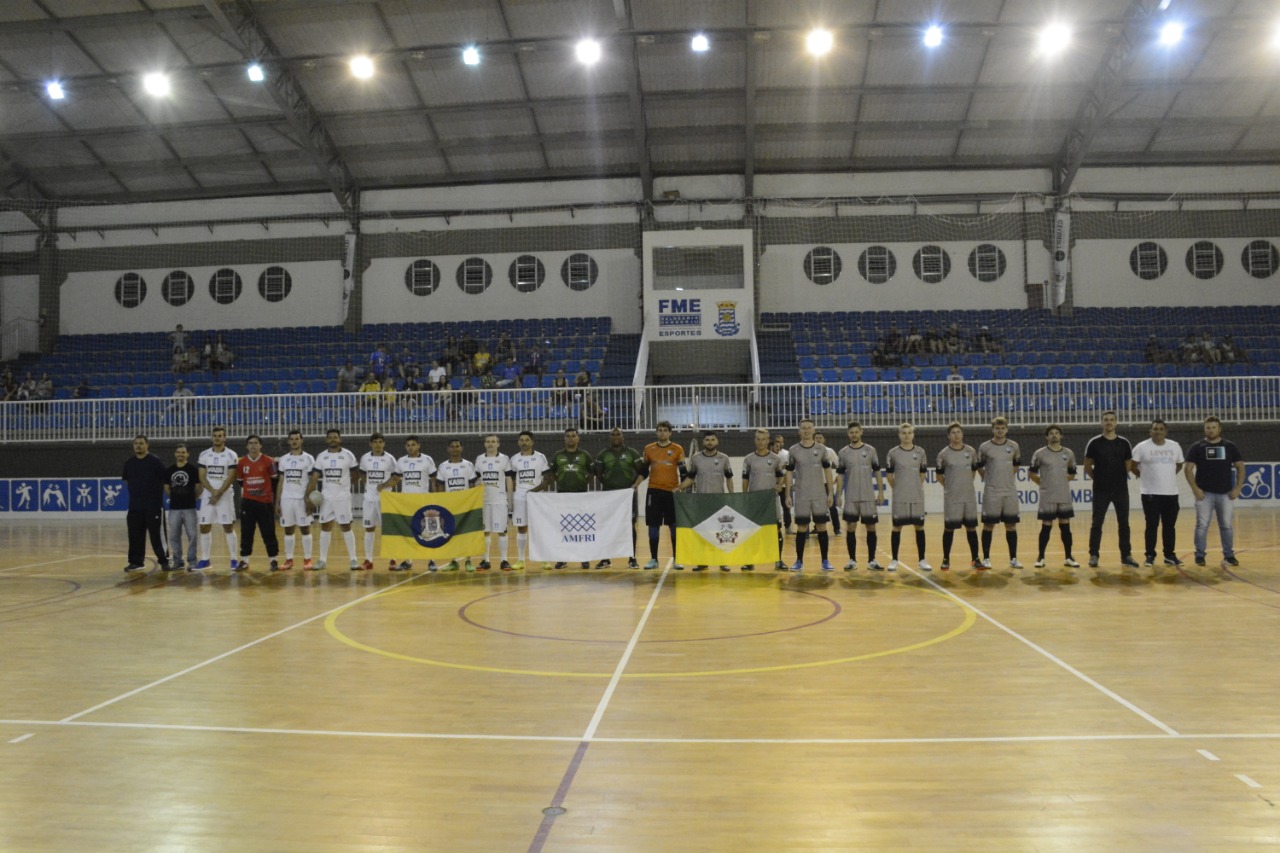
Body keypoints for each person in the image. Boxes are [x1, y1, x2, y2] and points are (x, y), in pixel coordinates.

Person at [1184, 415, 1245, 568]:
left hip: (1225, 494)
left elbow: (1240, 467)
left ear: (1219, 429)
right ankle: (1199, 555)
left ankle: (1229, 555)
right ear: (1204, 429)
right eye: (1208, 428)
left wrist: (1238, 488)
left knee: (1226, 525)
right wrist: (1195, 489)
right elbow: (1188, 469)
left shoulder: (1230, 446)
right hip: (1204, 494)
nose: (1210, 430)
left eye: (1213, 427)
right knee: (1202, 525)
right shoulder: (1197, 447)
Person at [1084, 411, 1138, 569]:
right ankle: (1094, 555)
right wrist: (1099, 479)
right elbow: (1087, 465)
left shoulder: (1124, 443)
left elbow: (1128, 465)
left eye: (1112, 420)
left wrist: (1117, 478)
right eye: (1106, 420)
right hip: (1101, 490)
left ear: (1116, 423)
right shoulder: (1094, 443)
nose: (1109, 422)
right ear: (1101, 422)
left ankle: (1126, 555)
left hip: (1121, 490)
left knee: (1124, 523)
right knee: (1097, 523)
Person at [1129, 419, 1185, 570]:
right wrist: (1142, 475)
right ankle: (1150, 555)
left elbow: (1179, 464)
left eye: (1161, 429)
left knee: (1169, 526)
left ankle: (1169, 555)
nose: (1158, 431)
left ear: (1166, 432)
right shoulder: (1141, 447)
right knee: (1151, 525)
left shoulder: (1175, 446)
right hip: (1150, 494)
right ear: (1150, 431)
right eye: (1155, 429)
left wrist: (1168, 476)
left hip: (1171, 494)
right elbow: (1132, 465)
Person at [676, 431, 735, 572]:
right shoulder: (696, 458)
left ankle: (723, 562)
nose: (710, 442)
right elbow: (690, 478)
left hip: (719, 502)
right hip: (701, 502)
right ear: (703, 442)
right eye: (707, 440)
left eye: (712, 440)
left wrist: (732, 496)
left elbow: (729, 478)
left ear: (717, 441)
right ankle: (702, 562)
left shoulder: (724, 458)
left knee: (721, 533)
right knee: (702, 533)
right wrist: (679, 488)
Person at [537, 427, 594, 570]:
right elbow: (552, 473)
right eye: (568, 436)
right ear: (564, 439)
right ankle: (562, 559)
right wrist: (559, 481)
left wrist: (583, 482)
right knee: (563, 528)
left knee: (582, 528)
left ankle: (584, 558)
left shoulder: (584, 455)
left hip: (580, 495)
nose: (570, 438)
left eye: (573, 436)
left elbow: (592, 472)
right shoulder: (558, 455)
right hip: (562, 496)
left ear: (578, 438)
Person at [1028, 425, 1081, 571]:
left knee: (1065, 526)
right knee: (1046, 526)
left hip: (1063, 495)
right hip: (1047, 496)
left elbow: (1072, 473)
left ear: (1061, 436)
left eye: (1057, 433)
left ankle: (1069, 557)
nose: (1054, 435)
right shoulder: (1040, 454)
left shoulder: (1068, 453)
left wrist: (1061, 482)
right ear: (1047, 437)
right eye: (1051, 433)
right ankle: (1040, 557)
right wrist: (1045, 484)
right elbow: (1031, 473)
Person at [307, 428, 360, 571]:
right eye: (330, 437)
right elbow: (314, 477)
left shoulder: (348, 455)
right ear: (326, 440)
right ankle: (322, 560)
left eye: (335, 437)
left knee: (346, 526)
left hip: (342, 498)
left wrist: (345, 487)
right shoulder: (321, 457)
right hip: (327, 498)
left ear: (340, 439)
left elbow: (356, 474)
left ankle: (353, 559)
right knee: (325, 526)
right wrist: (309, 496)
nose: (333, 439)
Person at [785, 417, 834, 572]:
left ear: (813, 430)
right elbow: (789, 473)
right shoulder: (793, 450)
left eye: (809, 428)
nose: (806, 431)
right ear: (799, 431)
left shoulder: (822, 449)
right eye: (803, 428)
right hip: (801, 494)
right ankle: (799, 561)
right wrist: (787, 494)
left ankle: (825, 560)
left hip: (819, 494)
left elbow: (827, 471)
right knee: (801, 527)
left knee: (821, 526)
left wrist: (830, 492)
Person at [594, 427, 643, 569]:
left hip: (627, 495)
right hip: (609, 496)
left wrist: (634, 485)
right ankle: (605, 558)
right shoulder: (603, 455)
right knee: (607, 525)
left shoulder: (631, 453)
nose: (616, 436)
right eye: (613, 434)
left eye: (618, 434)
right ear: (609, 437)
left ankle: (632, 558)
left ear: (623, 437)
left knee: (630, 525)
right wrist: (609, 486)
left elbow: (642, 471)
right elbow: (598, 474)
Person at [838, 421, 884, 572]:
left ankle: (872, 560)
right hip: (851, 496)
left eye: (856, 432)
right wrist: (838, 495)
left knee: (871, 527)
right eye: (851, 432)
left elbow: (877, 471)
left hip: (868, 496)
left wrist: (881, 492)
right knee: (851, 527)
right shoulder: (843, 452)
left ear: (861, 432)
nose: (854, 435)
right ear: (848, 434)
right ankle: (852, 560)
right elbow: (840, 476)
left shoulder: (871, 450)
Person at [639, 421, 686, 570]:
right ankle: (654, 559)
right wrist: (635, 484)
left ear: (670, 433)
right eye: (660, 430)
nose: (662, 433)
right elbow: (644, 471)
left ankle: (677, 559)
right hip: (653, 492)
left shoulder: (677, 449)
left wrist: (682, 488)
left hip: (672, 493)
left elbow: (684, 473)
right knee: (653, 526)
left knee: (673, 526)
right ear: (656, 432)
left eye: (665, 430)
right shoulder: (648, 449)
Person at [935, 421, 981, 571]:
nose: (956, 435)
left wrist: (964, 485)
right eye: (953, 433)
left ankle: (975, 559)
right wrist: (951, 488)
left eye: (958, 432)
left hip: (968, 497)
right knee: (949, 529)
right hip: (952, 498)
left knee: (971, 528)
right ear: (949, 436)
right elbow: (939, 476)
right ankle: (946, 559)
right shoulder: (943, 454)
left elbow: (973, 472)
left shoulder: (971, 452)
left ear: (963, 434)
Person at [884, 422, 930, 572]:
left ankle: (922, 560)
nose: (907, 435)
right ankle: (894, 560)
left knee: (919, 526)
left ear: (913, 434)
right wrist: (898, 489)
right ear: (899, 435)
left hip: (916, 496)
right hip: (900, 496)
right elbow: (889, 476)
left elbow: (922, 474)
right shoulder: (893, 453)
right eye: (903, 433)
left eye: (909, 433)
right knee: (897, 527)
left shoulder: (921, 452)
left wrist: (914, 486)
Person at [121, 434, 169, 573]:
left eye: (141, 443)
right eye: (136, 443)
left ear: (147, 445)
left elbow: (164, 479)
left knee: (157, 536)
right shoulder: (129, 463)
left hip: (153, 506)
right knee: (135, 535)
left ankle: (164, 561)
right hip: (135, 506)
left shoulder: (155, 461)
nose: (138, 446)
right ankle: (136, 562)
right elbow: (127, 480)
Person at [740, 428, 786, 572]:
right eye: (758, 439)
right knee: (752, 531)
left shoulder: (775, 459)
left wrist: (779, 485)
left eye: (764, 439)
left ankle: (778, 560)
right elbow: (745, 479)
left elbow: (780, 476)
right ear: (755, 441)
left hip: (771, 500)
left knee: (776, 529)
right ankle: (750, 561)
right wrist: (745, 495)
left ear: (768, 441)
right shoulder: (748, 459)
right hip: (755, 500)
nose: (761, 442)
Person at [195, 426, 239, 571]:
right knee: (204, 526)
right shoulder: (204, 454)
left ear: (224, 438)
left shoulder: (231, 455)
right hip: (209, 494)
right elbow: (202, 476)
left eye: (220, 435)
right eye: (215, 435)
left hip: (225, 494)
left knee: (228, 526)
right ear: (212, 437)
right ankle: (205, 560)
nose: (217, 438)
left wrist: (218, 493)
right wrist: (212, 491)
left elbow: (231, 476)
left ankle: (234, 559)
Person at [393, 435, 438, 571]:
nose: (410, 447)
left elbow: (434, 479)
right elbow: (395, 479)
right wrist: (382, 487)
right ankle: (408, 561)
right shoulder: (401, 461)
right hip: (407, 502)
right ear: (405, 447)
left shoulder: (427, 460)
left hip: (423, 500)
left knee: (429, 531)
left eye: (413, 444)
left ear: (418, 445)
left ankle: (432, 560)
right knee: (408, 532)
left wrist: (436, 497)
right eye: (408, 445)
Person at [237, 434, 280, 572]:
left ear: (260, 445)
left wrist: (266, 494)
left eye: (256, 443)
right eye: (250, 443)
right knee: (246, 532)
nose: (253, 445)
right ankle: (244, 560)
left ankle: (273, 560)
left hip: (265, 502)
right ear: (247, 446)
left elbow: (274, 480)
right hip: (248, 502)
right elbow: (240, 481)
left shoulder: (269, 461)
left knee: (268, 532)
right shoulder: (242, 462)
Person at [436, 438, 480, 571]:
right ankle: (453, 561)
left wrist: (472, 502)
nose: (455, 449)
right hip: (450, 505)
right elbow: (440, 486)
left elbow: (472, 485)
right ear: (448, 449)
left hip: (465, 504)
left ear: (462, 448)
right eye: (452, 447)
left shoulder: (468, 465)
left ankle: (468, 560)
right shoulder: (443, 466)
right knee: (451, 533)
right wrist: (441, 504)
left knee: (466, 534)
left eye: (457, 446)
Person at [356, 433, 398, 570]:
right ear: (370, 444)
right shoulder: (365, 458)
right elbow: (362, 473)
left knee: (388, 530)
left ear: (384, 444)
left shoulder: (390, 459)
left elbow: (396, 478)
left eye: (380, 442)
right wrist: (364, 480)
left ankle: (392, 559)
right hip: (369, 499)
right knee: (369, 529)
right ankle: (368, 560)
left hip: (385, 499)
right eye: (375, 442)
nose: (378, 444)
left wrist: (384, 485)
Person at [509, 431, 549, 571]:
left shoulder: (540, 457)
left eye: (527, 440)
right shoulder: (514, 459)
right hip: (520, 498)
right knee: (521, 528)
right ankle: (521, 560)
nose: (524, 442)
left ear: (532, 442)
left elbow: (547, 478)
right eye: (521, 440)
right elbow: (511, 480)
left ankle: (544, 559)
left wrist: (536, 491)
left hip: (537, 499)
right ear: (518, 442)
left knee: (539, 528)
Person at [276, 429, 316, 570]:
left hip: (302, 500)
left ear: (301, 440)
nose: (294, 441)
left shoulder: (309, 459)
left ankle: (307, 559)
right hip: (287, 500)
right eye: (292, 439)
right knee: (288, 530)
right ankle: (289, 560)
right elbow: (280, 482)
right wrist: (278, 501)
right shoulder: (283, 459)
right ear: (288, 441)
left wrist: (309, 499)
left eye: (297, 438)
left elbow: (313, 480)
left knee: (305, 529)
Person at [474, 434, 513, 571]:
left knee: (502, 531)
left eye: (493, 442)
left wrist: (510, 498)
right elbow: (476, 480)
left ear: (498, 444)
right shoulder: (479, 459)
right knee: (485, 531)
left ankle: (504, 560)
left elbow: (508, 479)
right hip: (484, 500)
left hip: (499, 500)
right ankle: (486, 560)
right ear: (485, 444)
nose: (490, 444)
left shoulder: (504, 459)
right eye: (488, 442)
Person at [164, 444, 201, 571]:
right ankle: (178, 561)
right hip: (174, 508)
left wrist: (191, 498)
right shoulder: (169, 470)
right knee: (174, 535)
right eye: (178, 452)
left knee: (192, 535)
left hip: (189, 508)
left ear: (187, 454)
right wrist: (176, 497)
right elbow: (167, 488)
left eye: (183, 452)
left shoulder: (193, 469)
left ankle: (192, 560)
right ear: (175, 454)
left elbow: (198, 488)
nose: (181, 454)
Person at [814, 432, 842, 537]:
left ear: (824, 440)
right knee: (815, 508)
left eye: (820, 438)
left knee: (832, 507)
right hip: (814, 484)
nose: (818, 439)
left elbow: (839, 463)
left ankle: (837, 529)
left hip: (826, 484)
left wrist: (836, 477)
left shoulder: (829, 451)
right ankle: (817, 528)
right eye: (816, 438)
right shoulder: (811, 451)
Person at [772, 434, 793, 533]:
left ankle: (788, 527)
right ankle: (776, 527)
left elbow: (789, 471)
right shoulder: (769, 455)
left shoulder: (787, 454)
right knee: (774, 508)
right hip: (774, 485)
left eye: (781, 442)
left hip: (785, 485)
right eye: (777, 442)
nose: (779, 444)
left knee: (787, 507)